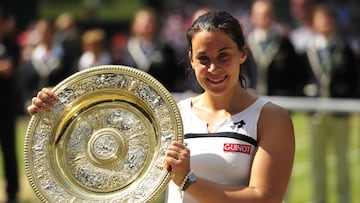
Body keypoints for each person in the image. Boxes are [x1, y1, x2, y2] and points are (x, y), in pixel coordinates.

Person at [27, 10, 295, 203]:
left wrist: (188, 181)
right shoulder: (171, 114)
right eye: (203, 58)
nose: (214, 68)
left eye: (224, 55)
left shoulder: (270, 117)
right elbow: (108, 150)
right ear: (191, 60)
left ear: (243, 54)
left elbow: (265, 197)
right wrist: (56, 110)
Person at [301, 5, 359, 203]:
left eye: (328, 19)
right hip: (316, 115)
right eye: (320, 19)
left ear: (334, 22)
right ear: (314, 23)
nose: (324, 23)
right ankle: (319, 198)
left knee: (342, 159)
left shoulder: (345, 49)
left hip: (340, 114)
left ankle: (344, 198)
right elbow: (303, 79)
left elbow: (354, 79)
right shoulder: (309, 50)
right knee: (317, 161)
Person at [120, 7, 184, 92]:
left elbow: (175, 76)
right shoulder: (127, 50)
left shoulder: (167, 50)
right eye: (142, 23)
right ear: (134, 25)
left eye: (149, 23)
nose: (146, 26)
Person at [247, 0, 304, 96]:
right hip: (253, 98)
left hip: (280, 99)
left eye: (267, 14)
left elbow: (295, 74)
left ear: (273, 15)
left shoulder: (284, 44)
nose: (263, 18)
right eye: (259, 14)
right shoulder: (247, 44)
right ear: (253, 17)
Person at [0, 8, 20, 203]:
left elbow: (10, 70)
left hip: (5, 107)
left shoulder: (11, 44)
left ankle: (12, 192)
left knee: (9, 150)